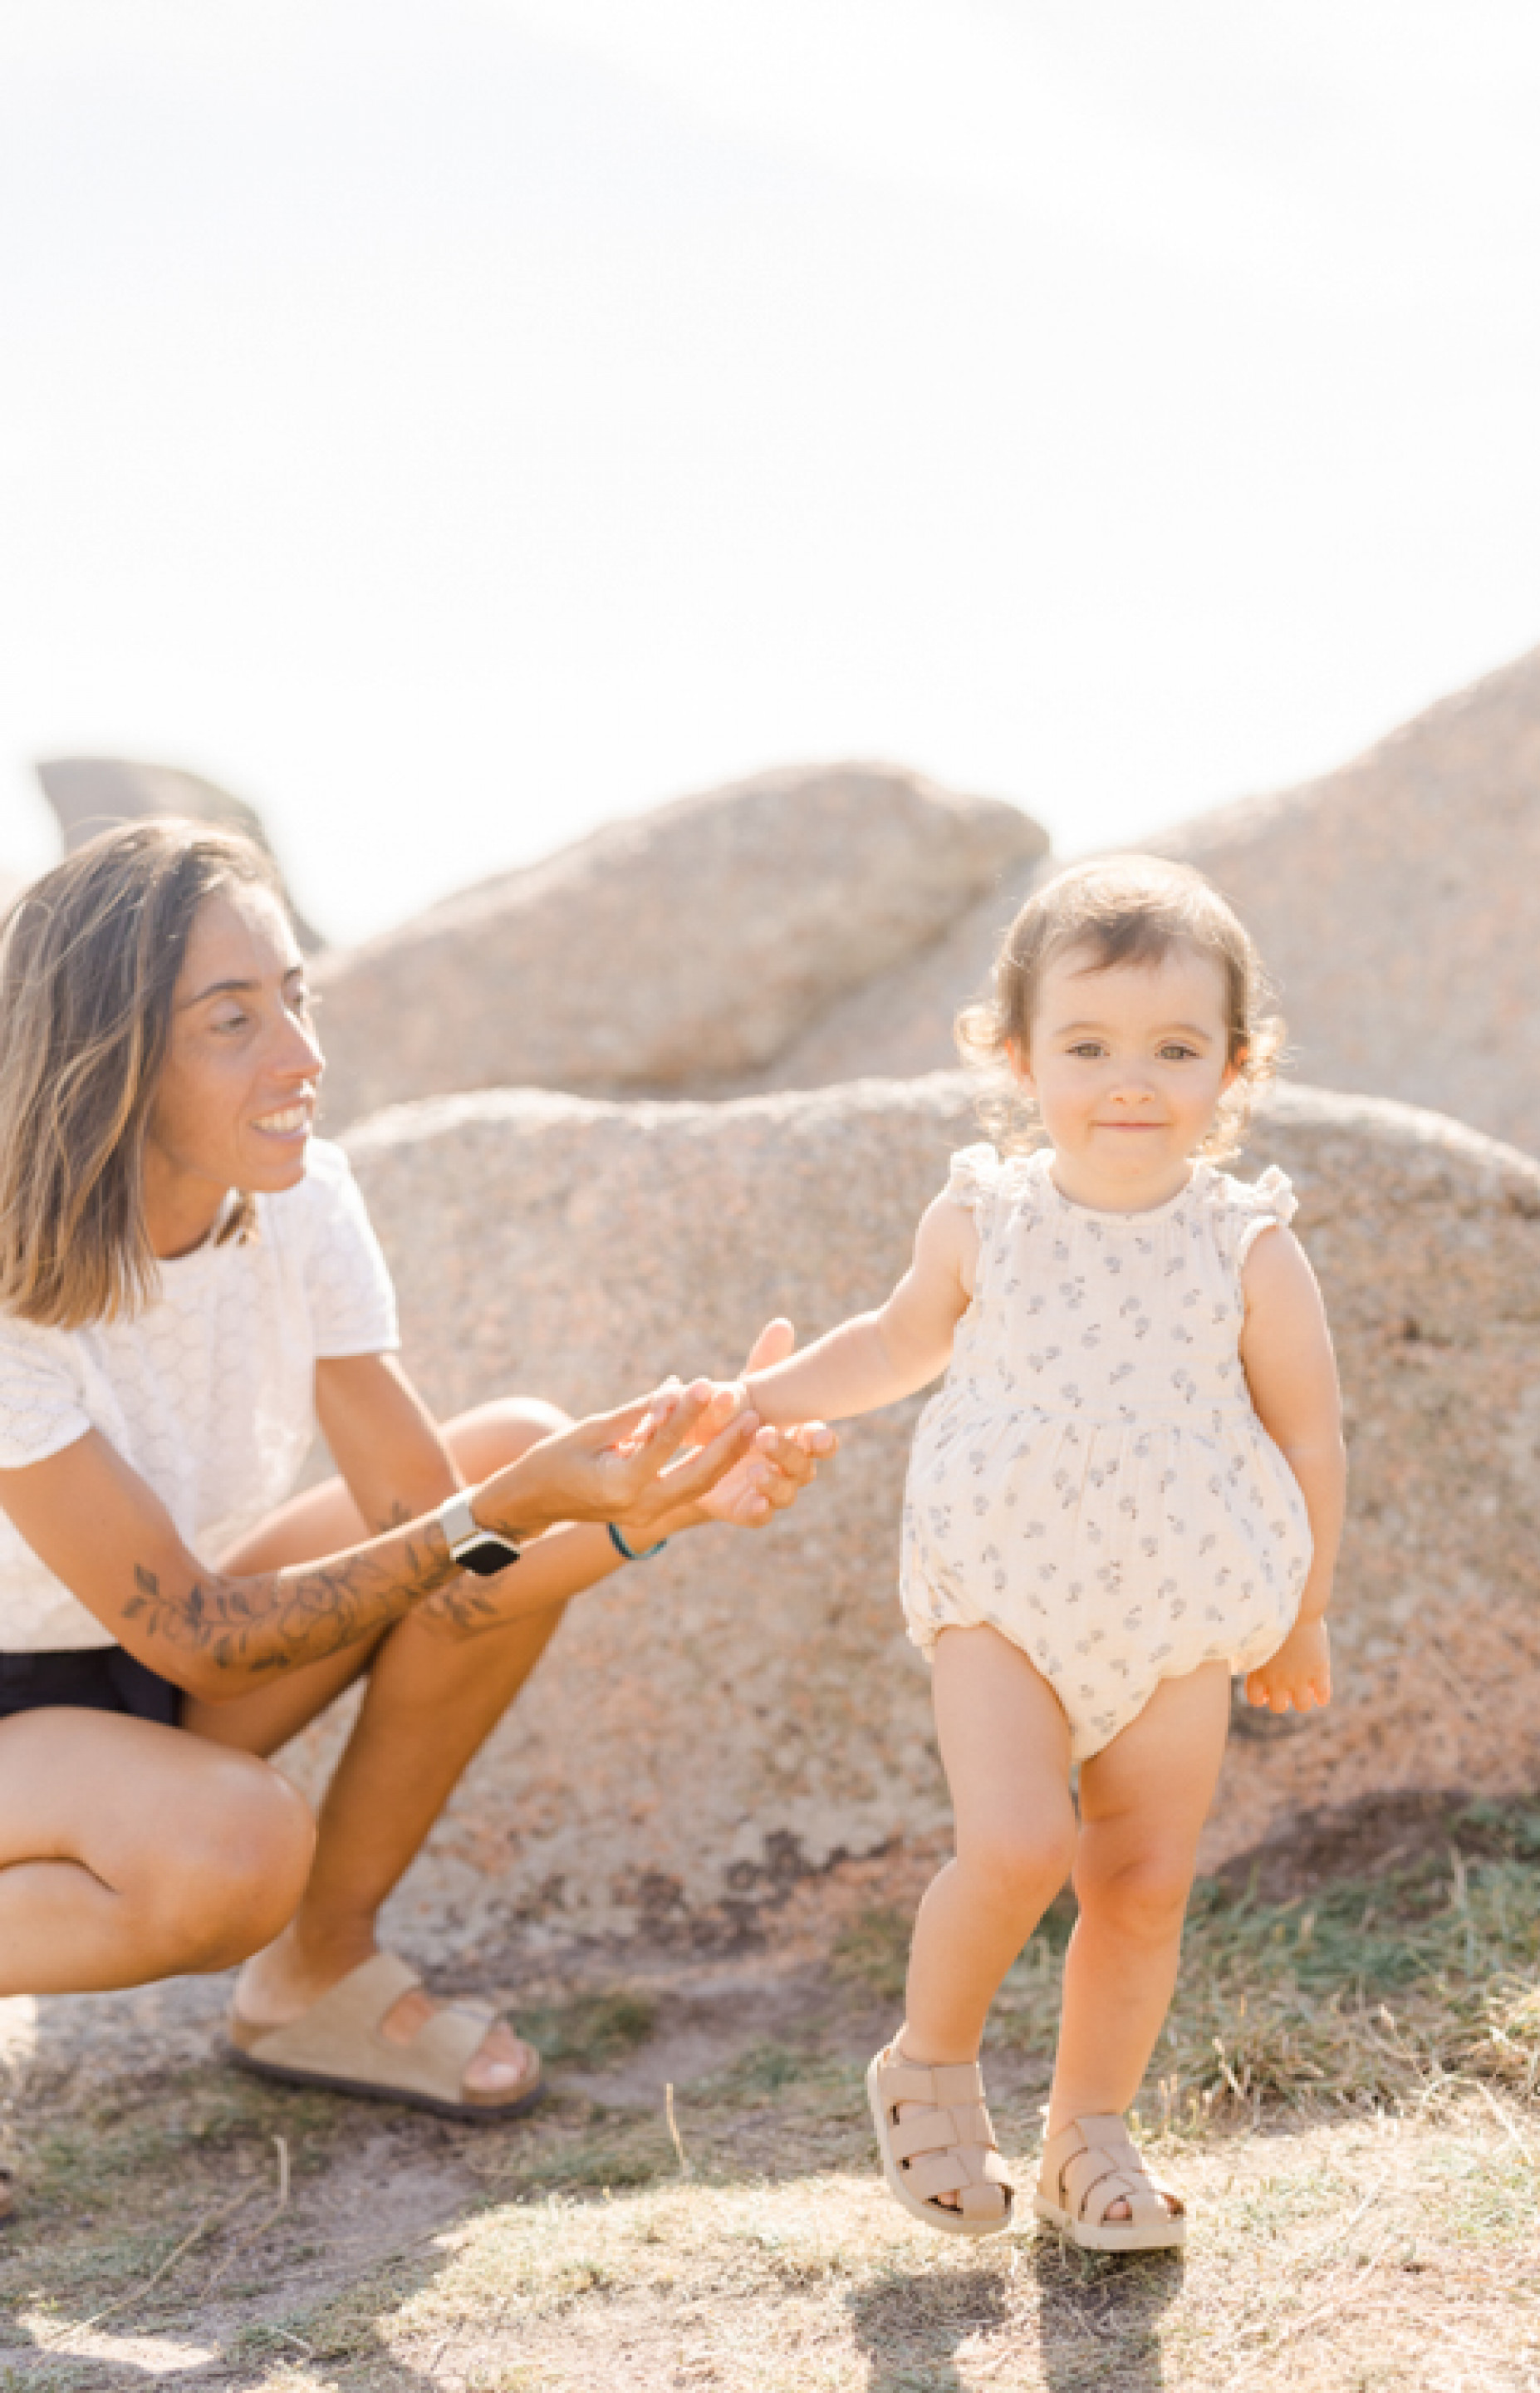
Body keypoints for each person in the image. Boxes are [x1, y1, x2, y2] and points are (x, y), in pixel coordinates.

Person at [0, 822, 831, 2129]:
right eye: (233, 1019)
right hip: (44, 1701)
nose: (302, 1056)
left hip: (145, 1660)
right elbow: (213, 1644)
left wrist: (650, 1509)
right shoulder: (11, 1286)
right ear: (108, 1054)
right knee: (235, 1850)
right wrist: (507, 1509)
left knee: (503, 1445)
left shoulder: (305, 1202)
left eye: (295, 996)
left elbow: (449, 1553)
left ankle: (315, 1976)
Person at [743, 856, 1344, 2248]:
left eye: (1174, 1049)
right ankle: (931, 2063)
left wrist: (1304, 1614)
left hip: (1182, 1609)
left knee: (1139, 1883)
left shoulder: (1248, 1248)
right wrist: (755, 1399)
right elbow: (896, 1345)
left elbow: (1310, 1441)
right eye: (1088, 1046)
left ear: (1235, 1069)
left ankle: (1089, 2139)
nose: (1129, 1081)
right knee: (1016, 1844)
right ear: (1015, 1057)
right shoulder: (985, 1218)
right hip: (1002, 1589)